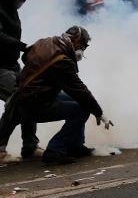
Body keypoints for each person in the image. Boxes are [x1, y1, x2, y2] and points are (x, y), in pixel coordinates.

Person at [0, 26, 114, 165]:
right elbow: (80, 91)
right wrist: (99, 113)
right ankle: (55, 150)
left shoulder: (45, 42)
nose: (82, 51)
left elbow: (26, 57)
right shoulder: (62, 61)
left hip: (27, 96)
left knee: (76, 100)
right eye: (82, 46)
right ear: (76, 41)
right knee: (82, 109)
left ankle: (74, 146)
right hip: (35, 104)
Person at [0, 0, 41, 163]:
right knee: (19, 101)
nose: (24, 0)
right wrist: (23, 46)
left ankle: (30, 147)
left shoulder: (10, 8)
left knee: (28, 98)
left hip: (11, 64)